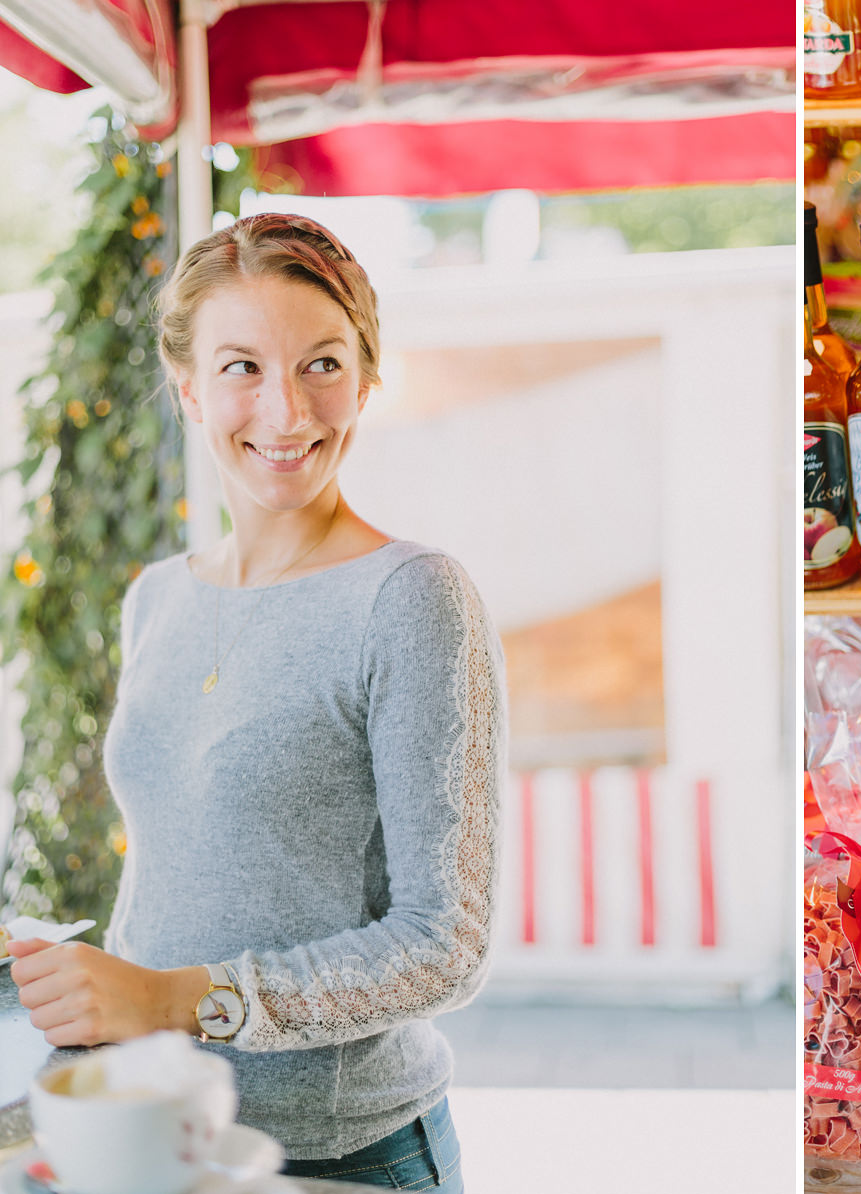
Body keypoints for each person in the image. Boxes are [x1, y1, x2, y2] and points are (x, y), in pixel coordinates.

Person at [6, 213, 506, 1192]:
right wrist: (97, 996)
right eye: (241, 367)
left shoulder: (411, 599)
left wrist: (170, 1001)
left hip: (342, 1154)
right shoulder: (157, 596)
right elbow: (177, 876)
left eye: (320, 364)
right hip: (152, 1130)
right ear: (189, 385)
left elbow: (446, 945)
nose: (285, 411)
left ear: (366, 376)